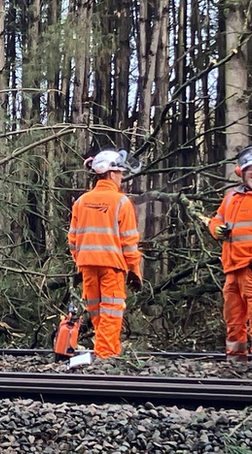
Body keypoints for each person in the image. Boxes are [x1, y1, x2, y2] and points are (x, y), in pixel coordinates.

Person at [68, 149, 143, 358]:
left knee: (98, 312)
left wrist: (80, 262)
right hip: (112, 267)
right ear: (111, 174)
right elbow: (129, 243)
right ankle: (106, 357)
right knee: (111, 312)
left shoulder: (81, 202)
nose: (122, 177)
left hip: (87, 267)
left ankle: (103, 353)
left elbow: (73, 240)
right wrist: (134, 270)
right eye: (120, 173)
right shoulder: (121, 202)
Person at [209, 146, 252, 365]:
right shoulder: (231, 197)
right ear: (242, 173)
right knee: (233, 319)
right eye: (250, 170)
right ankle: (235, 362)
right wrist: (216, 229)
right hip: (232, 267)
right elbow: (216, 219)